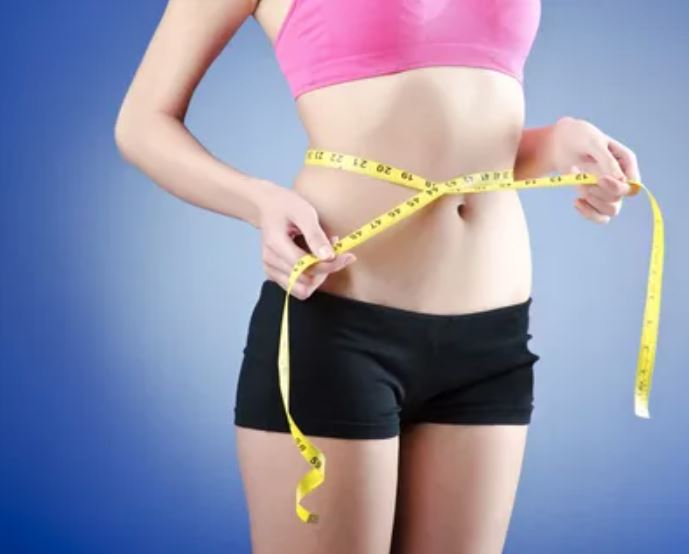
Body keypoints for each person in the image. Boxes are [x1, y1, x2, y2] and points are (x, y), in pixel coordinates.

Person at [114, 0, 641, 552]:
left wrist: (558, 143)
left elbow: (466, 142)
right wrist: (259, 203)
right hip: (340, 326)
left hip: (491, 342)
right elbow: (142, 123)